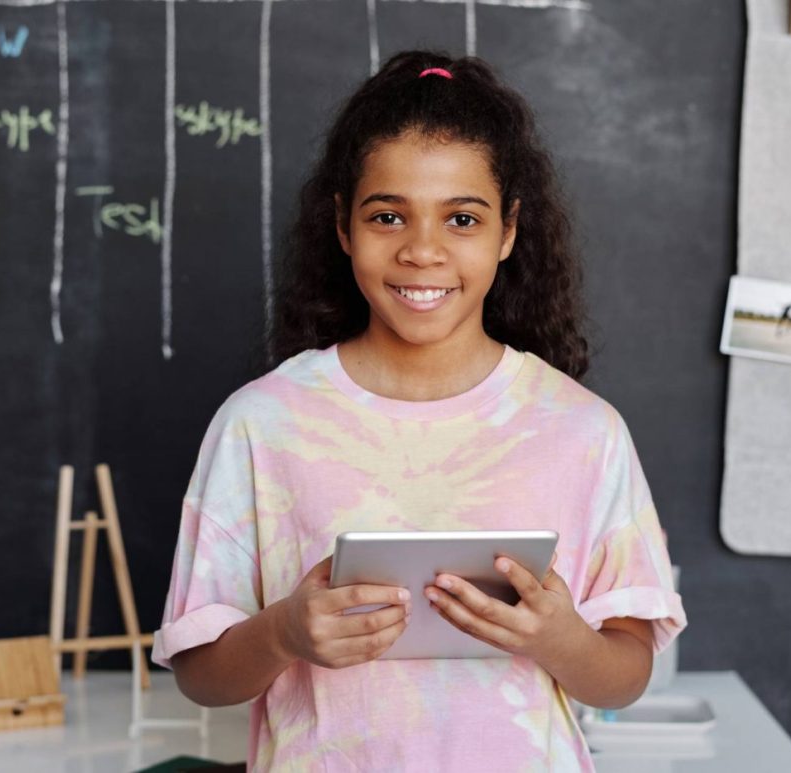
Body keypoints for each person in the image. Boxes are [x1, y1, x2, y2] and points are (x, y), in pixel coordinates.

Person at [152, 50, 686, 772]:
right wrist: (283, 633)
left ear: (508, 231)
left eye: (462, 218)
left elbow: (627, 668)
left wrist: (559, 637)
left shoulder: (583, 431)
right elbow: (200, 675)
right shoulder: (262, 423)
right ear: (343, 226)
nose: (423, 251)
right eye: (387, 215)